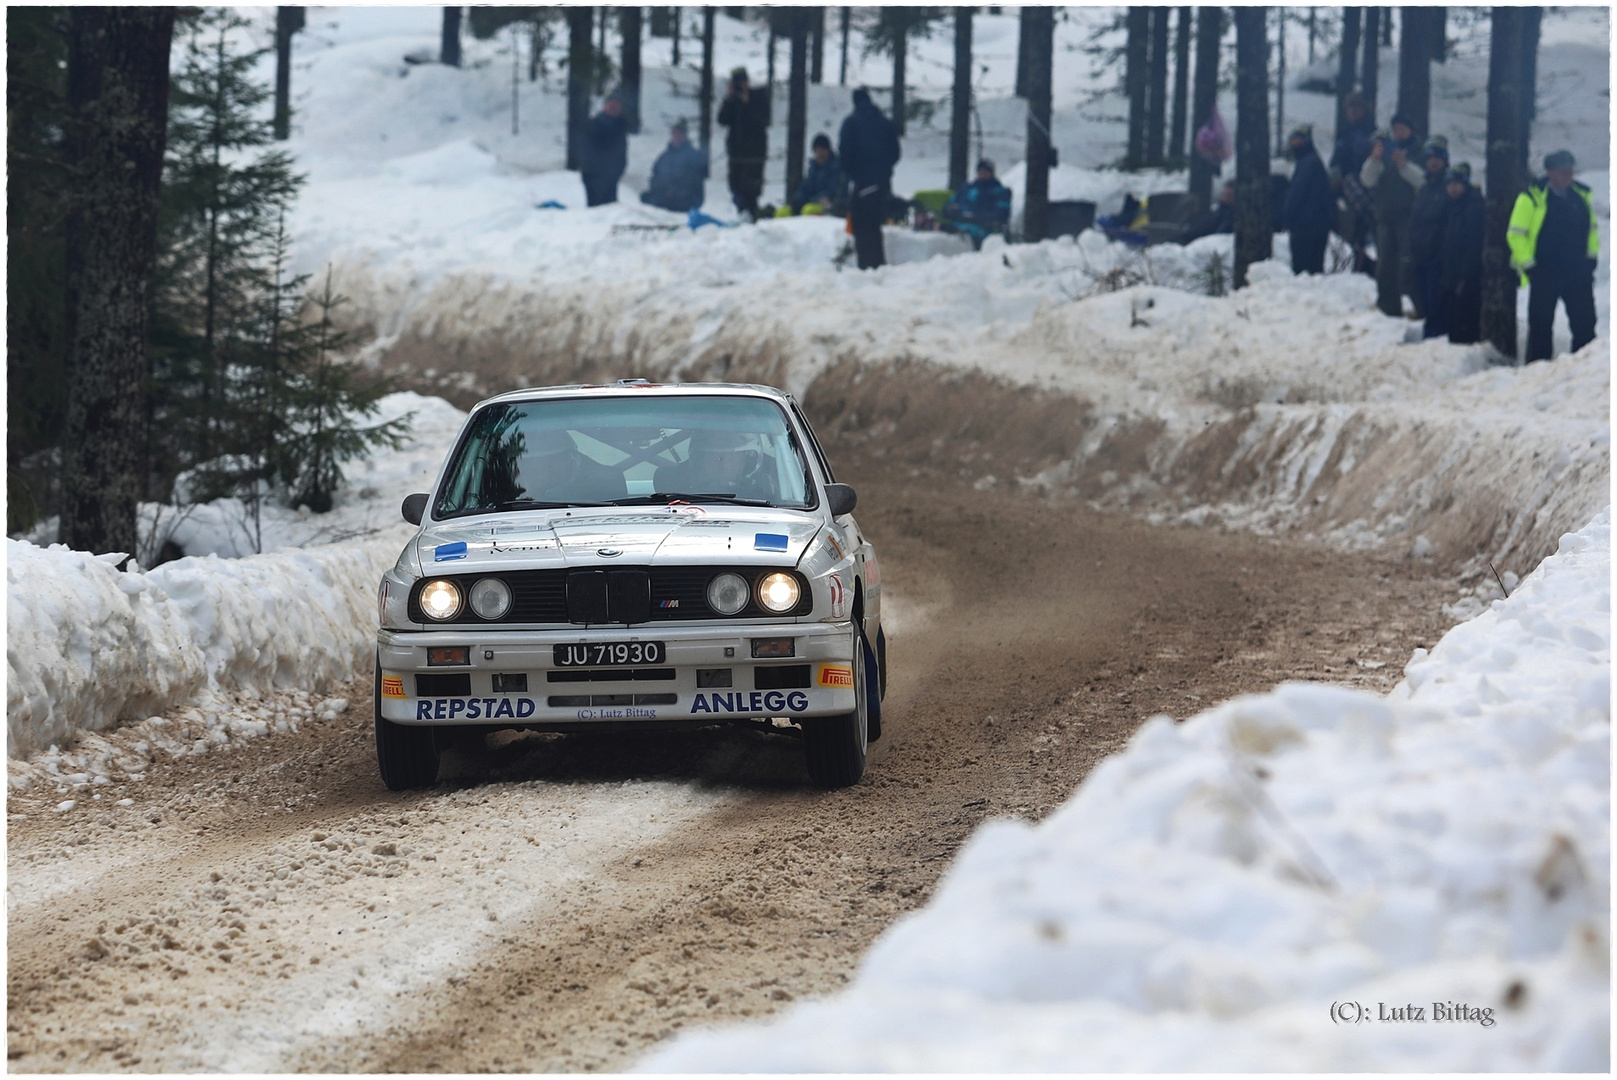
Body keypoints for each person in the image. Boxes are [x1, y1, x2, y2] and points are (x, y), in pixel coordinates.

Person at [1509, 149, 1600, 363]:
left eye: (1570, 171)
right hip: (1545, 272)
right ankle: (1538, 371)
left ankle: (1584, 366)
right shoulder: (1531, 198)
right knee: (1540, 326)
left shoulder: (1581, 196)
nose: (1568, 176)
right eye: (1563, 172)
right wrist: (1529, 266)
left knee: (1585, 324)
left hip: (1577, 272)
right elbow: (1515, 235)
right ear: (1550, 173)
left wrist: (1591, 259)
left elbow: (1592, 230)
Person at [1360, 113, 1424, 317]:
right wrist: (1374, 159)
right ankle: (1388, 309)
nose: (1398, 133)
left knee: (1409, 268)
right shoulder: (1385, 154)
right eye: (1395, 129)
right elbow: (1367, 180)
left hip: (1409, 220)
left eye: (1402, 129)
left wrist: (1404, 165)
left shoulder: (1419, 152)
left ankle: (1423, 308)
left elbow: (1423, 182)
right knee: (1385, 268)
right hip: (1385, 219)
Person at [838, 87, 902, 270]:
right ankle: (879, 264)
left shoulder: (851, 123)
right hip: (882, 183)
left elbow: (845, 154)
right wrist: (884, 169)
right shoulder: (884, 122)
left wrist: (852, 171)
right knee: (875, 225)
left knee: (861, 226)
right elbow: (896, 152)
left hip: (862, 182)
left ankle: (866, 265)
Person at [657, 428, 777, 503]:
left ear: (748, 459)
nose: (723, 463)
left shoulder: (770, 500)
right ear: (699, 459)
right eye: (713, 456)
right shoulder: (672, 500)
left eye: (731, 455)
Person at [1408, 137, 1452, 337]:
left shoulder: (1447, 188)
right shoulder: (1424, 188)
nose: (1433, 163)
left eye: (1437, 159)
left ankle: (1437, 337)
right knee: (1425, 303)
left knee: (1437, 305)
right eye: (1430, 159)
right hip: (1420, 255)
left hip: (1438, 257)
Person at [1437, 163, 1485, 345]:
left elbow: (1474, 245)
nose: (1453, 188)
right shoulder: (1449, 207)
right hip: (1450, 273)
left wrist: (1465, 276)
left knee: (1465, 322)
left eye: (1456, 184)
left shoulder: (1473, 207)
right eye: (1449, 184)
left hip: (1467, 276)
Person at [1329, 92, 1377, 274]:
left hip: (1363, 184)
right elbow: (1337, 161)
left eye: (1358, 107)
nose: (1353, 111)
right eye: (1350, 108)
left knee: (1366, 222)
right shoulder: (1345, 134)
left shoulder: (1370, 132)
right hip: (1345, 188)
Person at [513, 428, 625, 505]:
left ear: (573, 459)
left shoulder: (605, 481)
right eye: (531, 465)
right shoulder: (513, 494)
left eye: (554, 462)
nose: (542, 469)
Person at [717, 67, 770, 220]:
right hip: (736, 153)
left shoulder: (759, 97)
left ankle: (752, 215)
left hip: (754, 154)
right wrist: (729, 99)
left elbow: (764, 119)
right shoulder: (732, 101)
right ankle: (742, 214)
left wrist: (748, 102)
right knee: (735, 186)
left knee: (751, 189)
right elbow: (722, 120)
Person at [1282, 124, 1333, 274]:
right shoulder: (1313, 161)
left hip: (1305, 225)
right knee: (1315, 268)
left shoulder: (1307, 163)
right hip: (1317, 223)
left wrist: (1287, 216)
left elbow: (1297, 192)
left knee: (1304, 270)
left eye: (1298, 141)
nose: (1295, 145)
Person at [941, 158, 1013, 250]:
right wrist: (951, 209)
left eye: (986, 171)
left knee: (966, 235)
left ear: (991, 173)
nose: (982, 173)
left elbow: (1002, 214)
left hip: (981, 228)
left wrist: (978, 217)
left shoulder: (999, 191)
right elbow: (951, 203)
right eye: (980, 171)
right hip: (959, 222)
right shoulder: (966, 188)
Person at [641, 121, 708, 213]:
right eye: (675, 133)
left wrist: (675, 191)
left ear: (685, 135)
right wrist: (662, 189)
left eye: (679, 134)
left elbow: (694, 181)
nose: (677, 137)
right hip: (665, 195)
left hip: (686, 197)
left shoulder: (693, 156)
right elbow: (655, 177)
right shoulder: (665, 156)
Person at [580, 95, 628, 207]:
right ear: (604, 106)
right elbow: (586, 150)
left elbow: (622, 150)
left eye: (616, 106)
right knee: (596, 208)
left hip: (612, 175)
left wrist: (619, 169)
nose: (614, 108)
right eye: (611, 105)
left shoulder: (621, 126)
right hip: (594, 175)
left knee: (610, 207)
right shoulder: (595, 125)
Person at [792, 134, 845, 214]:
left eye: (822, 150)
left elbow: (833, 191)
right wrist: (798, 198)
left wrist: (814, 200)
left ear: (828, 151)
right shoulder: (813, 168)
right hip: (811, 202)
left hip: (828, 207)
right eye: (817, 150)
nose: (820, 153)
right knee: (785, 212)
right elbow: (805, 187)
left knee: (808, 211)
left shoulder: (836, 168)